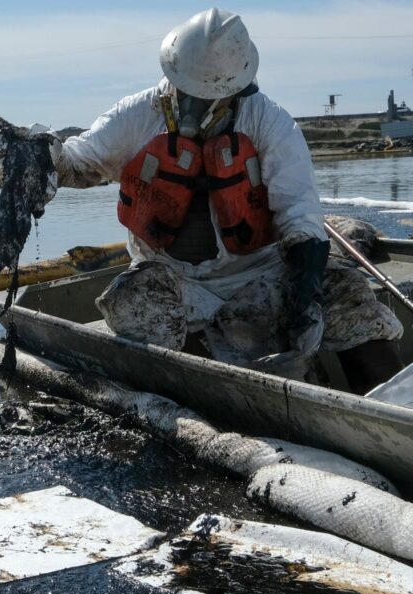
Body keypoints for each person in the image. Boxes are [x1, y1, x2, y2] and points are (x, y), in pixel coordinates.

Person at [49, 8, 402, 392]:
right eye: (190, 93)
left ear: (238, 87)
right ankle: (202, 396)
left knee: (347, 294)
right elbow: (77, 163)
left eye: (211, 96)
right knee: (134, 302)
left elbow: (300, 215)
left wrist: (305, 299)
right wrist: (37, 157)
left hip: (261, 273)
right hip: (173, 276)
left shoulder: (270, 122)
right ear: (174, 75)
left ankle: (390, 407)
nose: (196, 106)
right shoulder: (137, 114)